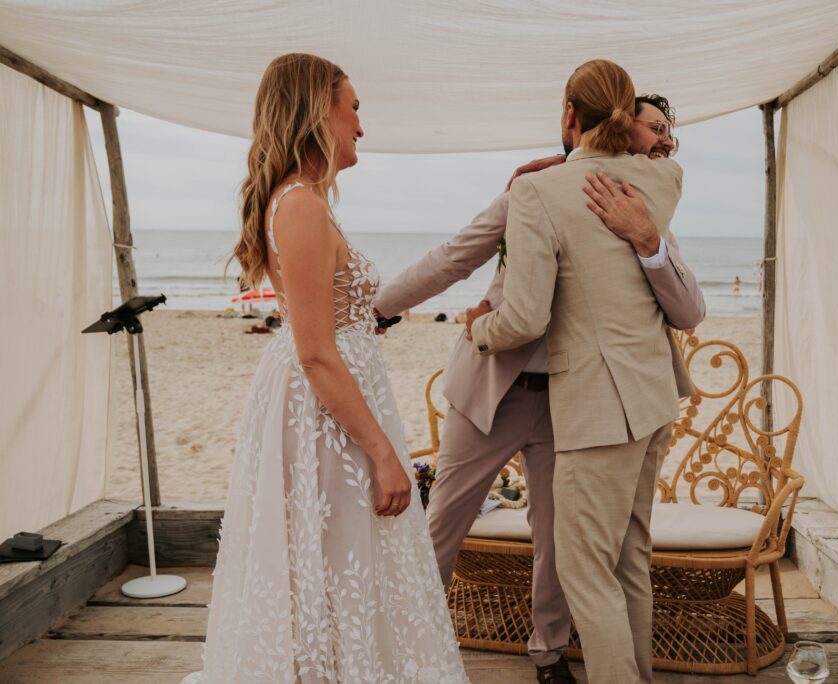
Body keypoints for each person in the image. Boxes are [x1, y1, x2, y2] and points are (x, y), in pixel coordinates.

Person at [373, 92, 703, 684]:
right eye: (654, 130)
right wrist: (377, 308)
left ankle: (549, 655)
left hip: (573, 404)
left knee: (558, 542)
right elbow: (454, 258)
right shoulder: (535, 189)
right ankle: (411, 645)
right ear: (618, 127)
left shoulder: (643, 207)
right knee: (443, 522)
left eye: (667, 134)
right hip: (490, 388)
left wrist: (648, 237)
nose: (665, 143)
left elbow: (687, 306)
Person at [183, 54, 467, 684]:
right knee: (333, 557)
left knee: (339, 564)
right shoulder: (301, 206)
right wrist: (385, 455)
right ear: (318, 110)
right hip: (326, 418)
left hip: (334, 408)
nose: (361, 127)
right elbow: (314, 351)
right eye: (355, 108)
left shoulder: (304, 201)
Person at [470, 60, 698, 684]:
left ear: (570, 115)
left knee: (585, 573)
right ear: (628, 120)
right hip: (653, 403)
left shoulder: (539, 193)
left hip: (598, 415)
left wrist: (477, 329)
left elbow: (524, 317)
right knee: (629, 563)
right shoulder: (662, 181)